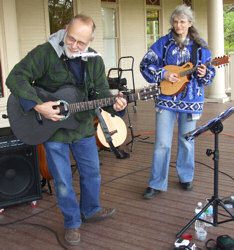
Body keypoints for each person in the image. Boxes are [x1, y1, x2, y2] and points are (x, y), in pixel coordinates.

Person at [5, 14, 127, 246]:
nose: (74, 46)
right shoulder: (45, 52)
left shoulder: (95, 61)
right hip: (53, 130)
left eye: (81, 43)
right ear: (66, 30)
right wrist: (39, 105)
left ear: (90, 40)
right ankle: (72, 223)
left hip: (81, 126)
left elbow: (101, 93)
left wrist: (115, 103)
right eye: (71, 39)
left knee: (92, 172)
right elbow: (16, 77)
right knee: (62, 181)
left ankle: (90, 210)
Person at [140, 5, 215, 199]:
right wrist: (164, 73)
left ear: (190, 23)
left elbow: (210, 74)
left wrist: (204, 73)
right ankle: (156, 183)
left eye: (183, 21)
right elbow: (145, 64)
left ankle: (185, 177)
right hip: (166, 99)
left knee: (187, 141)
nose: (178, 25)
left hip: (191, 101)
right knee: (162, 143)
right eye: (176, 21)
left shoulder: (200, 46)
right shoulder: (163, 43)